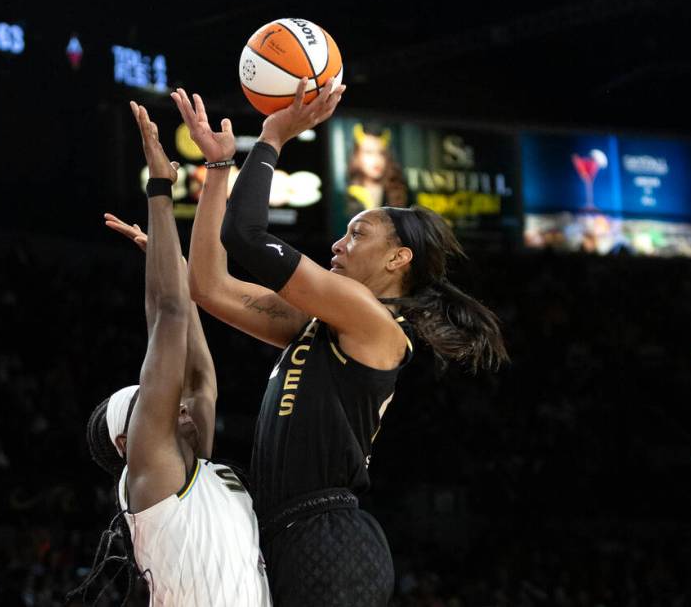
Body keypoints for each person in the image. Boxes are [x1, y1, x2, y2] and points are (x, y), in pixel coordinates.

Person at [173, 79, 507, 606]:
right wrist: (217, 170)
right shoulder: (322, 323)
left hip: (326, 536)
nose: (337, 243)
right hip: (284, 531)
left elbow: (247, 238)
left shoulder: (372, 320)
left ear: (399, 260)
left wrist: (273, 136)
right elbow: (208, 287)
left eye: (357, 234)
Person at [74, 101, 270, 606]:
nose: (176, 403)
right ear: (129, 442)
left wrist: (176, 266)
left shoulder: (195, 466)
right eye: (155, 404)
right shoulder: (154, 480)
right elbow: (169, 318)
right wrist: (160, 190)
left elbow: (200, 378)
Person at [346, 123, 409, 218]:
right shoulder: (346, 194)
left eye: (381, 153)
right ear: (357, 156)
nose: (376, 160)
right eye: (369, 152)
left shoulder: (399, 192)